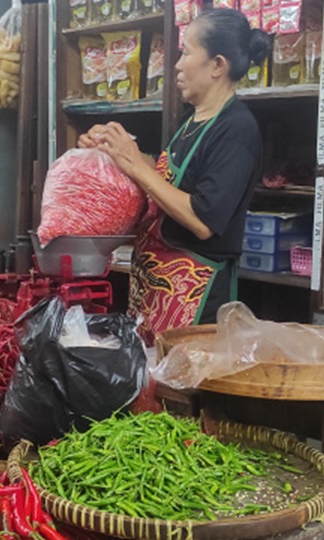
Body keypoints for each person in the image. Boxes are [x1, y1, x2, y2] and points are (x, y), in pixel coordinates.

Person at [80, 8, 270, 340]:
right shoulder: (192, 120)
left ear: (217, 66)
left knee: (178, 388)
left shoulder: (236, 129)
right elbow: (168, 180)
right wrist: (112, 150)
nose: (178, 64)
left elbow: (203, 220)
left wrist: (137, 166)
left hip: (196, 296)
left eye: (186, 52)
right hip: (154, 288)